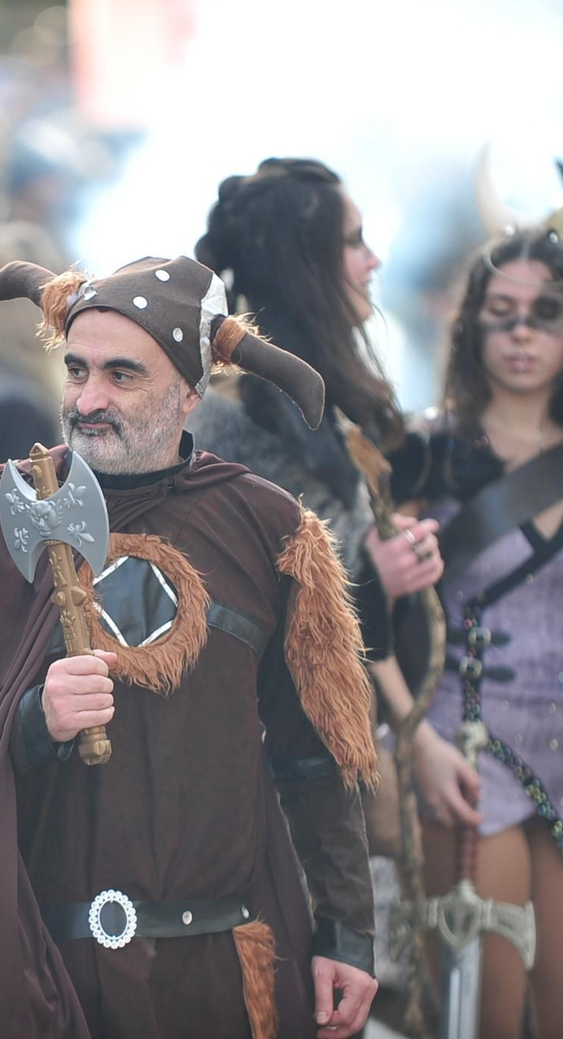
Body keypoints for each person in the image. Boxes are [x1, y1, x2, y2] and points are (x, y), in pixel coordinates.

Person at [0, 254, 380, 1038]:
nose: (88, 400)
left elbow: (315, 753)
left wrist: (349, 932)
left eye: (123, 376)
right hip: (52, 973)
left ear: (190, 393)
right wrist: (27, 721)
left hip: (229, 969)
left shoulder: (270, 531)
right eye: (77, 370)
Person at [381, 227, 563, 1039]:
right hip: (467, 757)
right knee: (478, 1024)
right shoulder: (426, 452)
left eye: (546, 314)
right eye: (503, 313)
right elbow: (352, 607)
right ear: (472, 327)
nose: (522, 333)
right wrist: (414, 743)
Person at [190, 158, 444, 869]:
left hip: (331, 754)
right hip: (270, 782)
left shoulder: (321, 397)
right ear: (303, 265)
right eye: (355, 242)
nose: (374, 261)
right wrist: (370, 573)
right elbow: (250, 608)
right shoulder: (228, 417)